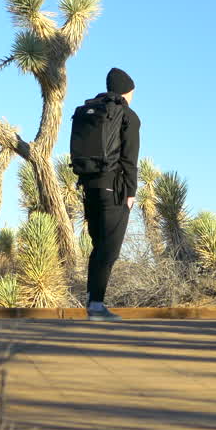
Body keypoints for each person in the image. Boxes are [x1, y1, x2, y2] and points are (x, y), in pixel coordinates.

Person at [77, 67, 140, 320]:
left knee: (98, 245)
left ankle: (94, 302)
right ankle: (96, 306)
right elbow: (130, 157)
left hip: (89, 184)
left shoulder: (93, 110)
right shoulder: (127, 115)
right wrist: (131, 191)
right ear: (127, 91)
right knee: (109, 248)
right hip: (114, 187)